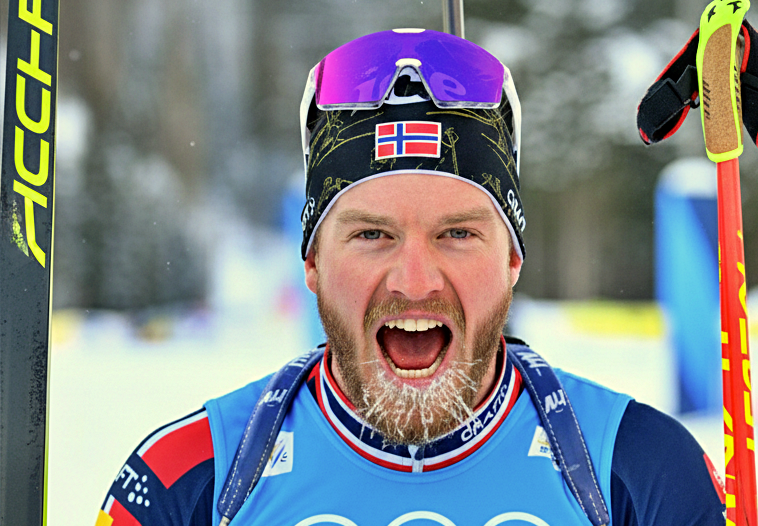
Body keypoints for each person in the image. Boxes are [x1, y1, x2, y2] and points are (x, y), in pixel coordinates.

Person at [96, 29, 726, 526]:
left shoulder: (642, 470)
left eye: (458, 233)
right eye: (373, 235)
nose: (416, 281)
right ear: (312, 261)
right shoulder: (186, 481)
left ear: (513, 257)